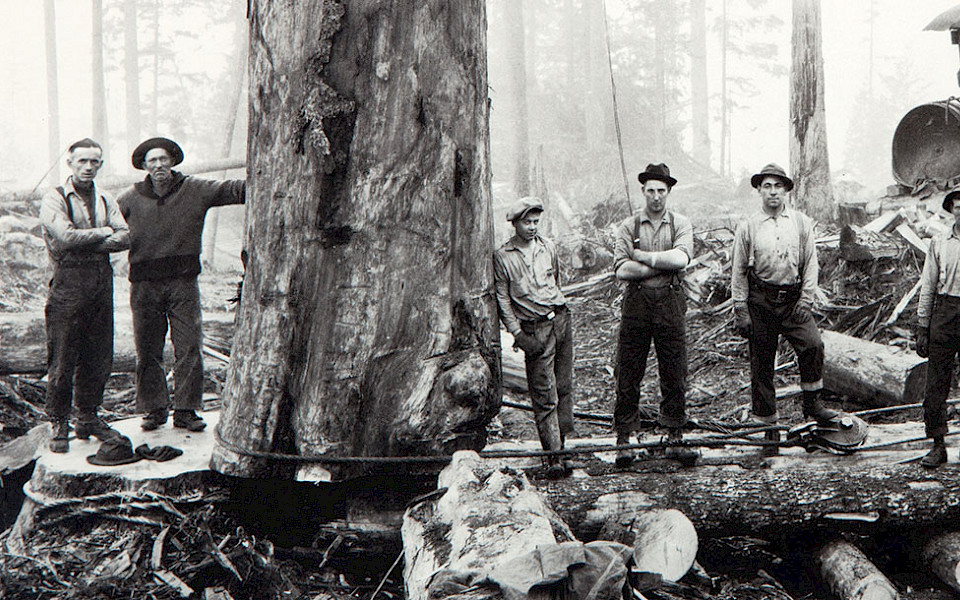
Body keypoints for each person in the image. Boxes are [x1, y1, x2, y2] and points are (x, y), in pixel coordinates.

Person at [118, 137, 245, 432]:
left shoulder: (194, 189)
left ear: (173, 161)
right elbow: (105, 223)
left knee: (188, 345)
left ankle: (186, 410)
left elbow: (235, 190)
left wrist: (269, 178)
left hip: (183, 282)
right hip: (144, 285)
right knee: (147, 347)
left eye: (163, 159)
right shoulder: (129, 199)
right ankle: (154, 408)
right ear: (144, 167)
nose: (159, 165)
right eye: (152, 161)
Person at [731, 163, 837, 453]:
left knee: (812, 345)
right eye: (767, 186)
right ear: (759, 190)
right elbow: (738, 270)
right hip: (760, 301)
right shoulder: (748, 226)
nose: (773, 192)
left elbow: (811, 262)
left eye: (778, 186)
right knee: (762, 364)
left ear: (787, 190)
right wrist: (740, 308)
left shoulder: (801, 222)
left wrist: (807, 298)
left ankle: (813, 404)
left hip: (793, 301)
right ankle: (768, 429)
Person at [39, 138, 129, 453]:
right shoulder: (55, 198)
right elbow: (64, 238)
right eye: (82, 162)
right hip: (67, 283)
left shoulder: (106, 197)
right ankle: (59, 422)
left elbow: (126, 235)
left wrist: (93, 240)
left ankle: (88, 417)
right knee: (63, 357)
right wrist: (104, 233)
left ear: (100, 165)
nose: (88, 167)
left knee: (98, 355)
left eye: (94, 162)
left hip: (101, 283)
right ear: (70, 164)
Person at [612, 163, 697, 467]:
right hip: (636, 303)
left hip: (670, 301)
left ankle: (674, 436)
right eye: (651, 190)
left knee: (674, 369)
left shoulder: (681, 223)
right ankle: (624, 439)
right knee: (628, 369)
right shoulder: (628, 226)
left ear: (669, 192)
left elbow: (682, 258)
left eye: (662, 191)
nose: (656, 196)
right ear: (643, 191)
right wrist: (660, 265)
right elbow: (622, 268)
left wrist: (645, 259)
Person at [493, 197, 574, 479]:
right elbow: (502, 299)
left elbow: (556, 282)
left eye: (536, 222)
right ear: (515, 224)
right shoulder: (503, 256)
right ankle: (552, 457)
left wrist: (559, 315)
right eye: (527, 222)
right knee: (544, 393)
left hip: (560, 320)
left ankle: (564, 450)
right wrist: (517, 333)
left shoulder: (547, 247)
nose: (532, 227)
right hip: (534, 329)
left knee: (563, 386)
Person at [914, 189, 960, 468]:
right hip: (945, 314)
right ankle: (937, 444)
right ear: (951, 210)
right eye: (957, 206)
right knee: (936, 384)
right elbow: (928, 284)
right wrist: (923, 326)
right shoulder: (939, 241)